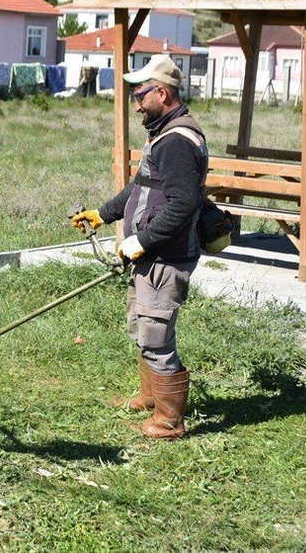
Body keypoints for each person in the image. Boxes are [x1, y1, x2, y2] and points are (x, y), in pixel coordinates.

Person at [70, 54, 208, 440]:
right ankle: (151, 397)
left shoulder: (177, 141)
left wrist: (142, 240)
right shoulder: (162, 134)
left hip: (166, 255)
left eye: (140, 94)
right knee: (143, 325)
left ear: (161, 93)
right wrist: (104, 214)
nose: (135, 102)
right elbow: (141, 186)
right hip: (151, 254)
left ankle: (169, 421)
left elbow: (183, 203)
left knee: (155, 332)